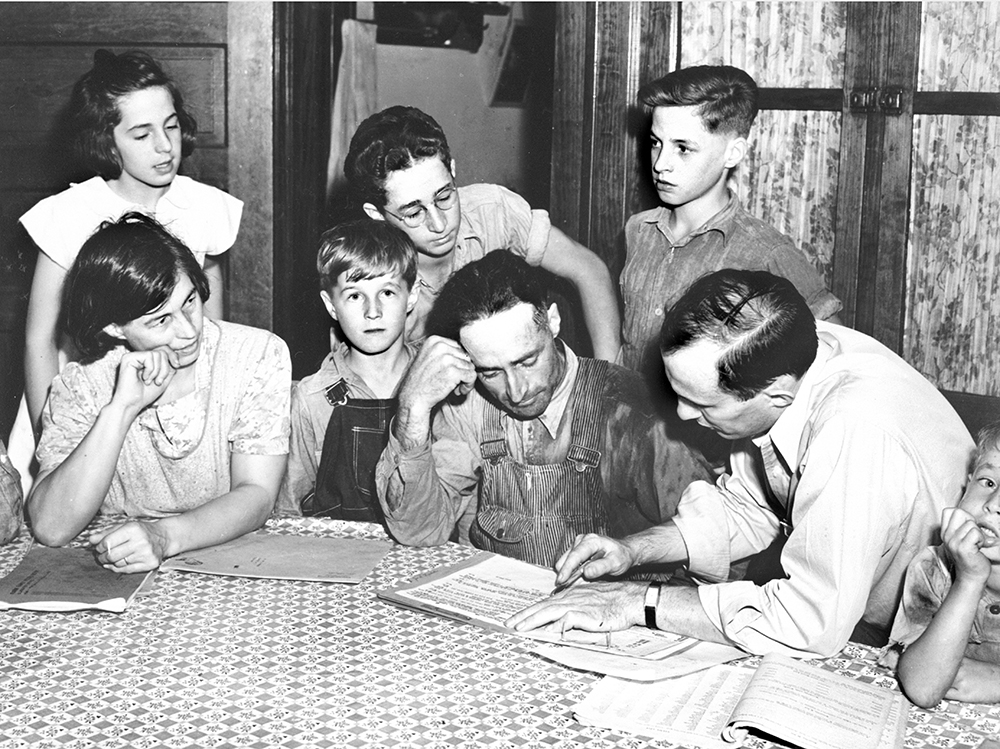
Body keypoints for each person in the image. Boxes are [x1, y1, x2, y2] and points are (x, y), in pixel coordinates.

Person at [508, 269, 972, 658]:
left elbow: (809, 622)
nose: (684, 415)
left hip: (952, 639)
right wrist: (635, 550)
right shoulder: (787, 352)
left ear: (777, 394)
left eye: (702, 404)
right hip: (870, 615)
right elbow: (753, 508)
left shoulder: (853, 429)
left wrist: (636, 601)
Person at [374, 251, 707, 567]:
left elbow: (708, 544)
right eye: (490, 372)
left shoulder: (634, 412)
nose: (516, 392)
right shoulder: (469, 405)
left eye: (527, 361)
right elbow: (419, 532)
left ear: (553, 321)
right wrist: (412, 410)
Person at [14, 49, 242, 494]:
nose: (165, 146)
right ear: (107, 140)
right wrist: (54, 440)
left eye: (171, 126)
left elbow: (212, 331)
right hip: (79, 405)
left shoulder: (204, 207)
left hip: (173, 406)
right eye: (142, 134)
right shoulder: (70, 214)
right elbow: (38, 339)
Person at [28, 213, 288, 573]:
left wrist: (163, 537)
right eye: (160, 320)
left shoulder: (256, 354)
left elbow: (258, 494)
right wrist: (120, 410)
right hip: (123, 570)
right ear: (115, 327)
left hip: (236, 559)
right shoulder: (83, 382)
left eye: (190, 302)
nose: (187, 331)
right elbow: (50, 527)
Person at [344, 105, 621, 361]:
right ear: (376, 214)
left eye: (444, 197)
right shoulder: (366, 277)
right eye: (414, 214)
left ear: (452, 170)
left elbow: (589, 270)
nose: (440, 224)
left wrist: (607, 382)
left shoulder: (491, 210)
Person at [619, 65, 841, 376]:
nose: (660, 164)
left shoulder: (765, 253)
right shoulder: (637, 230)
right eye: (656, 142)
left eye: (683, 148)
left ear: (732, 153)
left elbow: (836, 352)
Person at [277, 220, 420, 520]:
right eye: (355, 295)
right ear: (331, 305)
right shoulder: (311, 398)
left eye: (388, 293)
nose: (373, 311)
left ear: (413, 294)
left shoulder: (436, 383)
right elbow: (289, 508)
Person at [889, 422, 1000, 708]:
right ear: (967, 485)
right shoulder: (933, 570)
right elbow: (923, 687)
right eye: (988, 482)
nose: (994, 503)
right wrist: (970, 579)